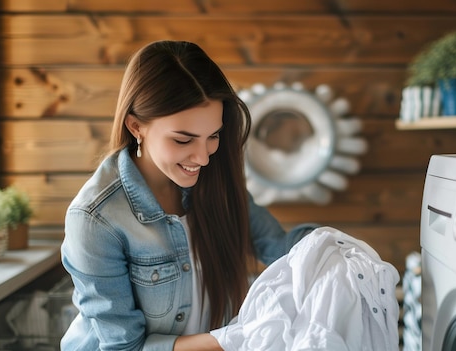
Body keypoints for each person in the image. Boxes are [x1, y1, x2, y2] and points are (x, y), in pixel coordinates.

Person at [60, 40, 317, 351]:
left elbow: (280, 248)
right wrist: (233, 339)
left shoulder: (214, 182)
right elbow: (124, 348)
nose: (203, 157)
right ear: (136, 126)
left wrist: (332, 248)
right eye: (183, 140)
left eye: (213, 136)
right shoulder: (95, 219)